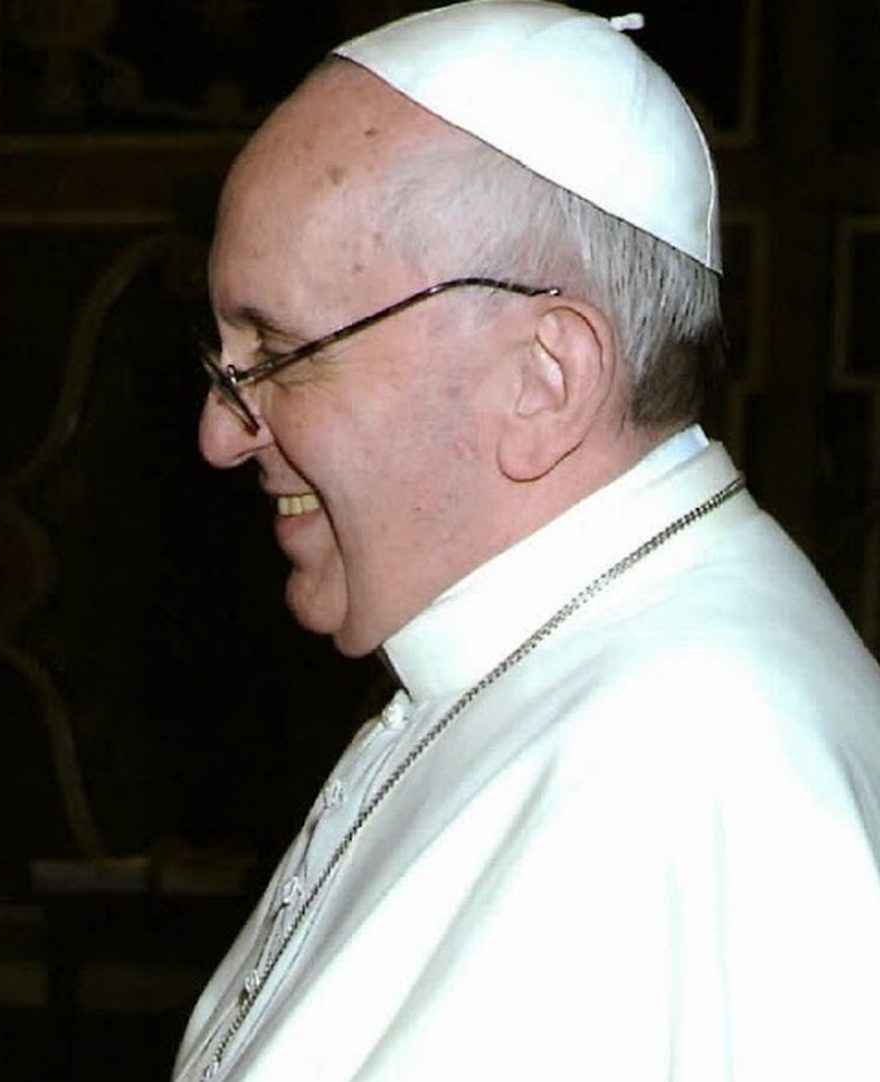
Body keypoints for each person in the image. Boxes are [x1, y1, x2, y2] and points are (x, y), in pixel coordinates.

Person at [177, 3, 880, 1080]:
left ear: (541, 379)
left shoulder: (703, 769)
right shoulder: (528, 662)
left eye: (276, 351)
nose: (221, 431)